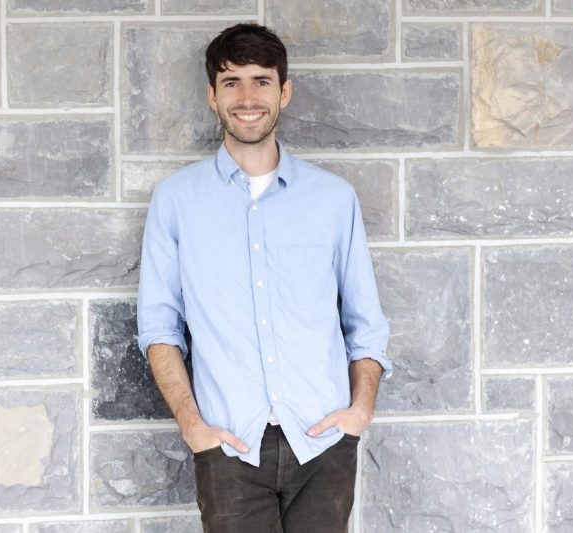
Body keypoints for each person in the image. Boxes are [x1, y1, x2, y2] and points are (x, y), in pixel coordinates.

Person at [137, 23, 391, 533]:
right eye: (231, 82)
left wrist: (358, 413)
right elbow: (160, 327)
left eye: (262, 81)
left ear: (285, 92)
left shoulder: (333, 199)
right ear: (212, 96)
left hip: (323, 445)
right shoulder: (176, 200)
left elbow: (365, 323)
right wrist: (193, 425)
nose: (247, 97)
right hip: (230, 449)